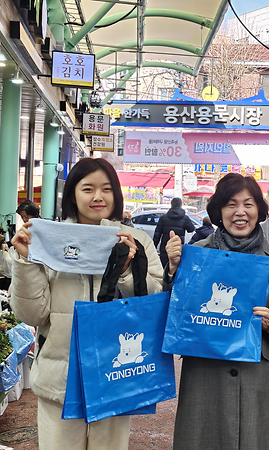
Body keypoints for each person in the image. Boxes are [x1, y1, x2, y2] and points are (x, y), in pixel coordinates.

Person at [9, 158, 163, 450]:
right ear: (72, 195)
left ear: (116, 194)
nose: (97, 197)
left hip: (116, 373)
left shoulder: (137, 240)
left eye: (106, 189)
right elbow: (32, 313)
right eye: (87, 188)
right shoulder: (51, 240)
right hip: (61, 380)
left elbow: (153, 303)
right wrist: (27, 261)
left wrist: (128, 270)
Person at [163, 173, 269, 450]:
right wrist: (173, 270)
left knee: (252, 439)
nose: (240, 212)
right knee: (201, 438)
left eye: (248, 204)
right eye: (231, 204)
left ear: (259, 210)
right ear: (218, 210)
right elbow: (173, 308)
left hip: (256, 371)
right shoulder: (195, 255)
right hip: (205, 369)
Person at [153, 197, 196, 267]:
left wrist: (154, 246)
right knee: (176, 269)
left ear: (171, 205)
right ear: (181, 205)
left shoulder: (163, 218)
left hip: (165, 248)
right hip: (178, 248)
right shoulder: (185, 218)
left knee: (164, 269)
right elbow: (191, 229)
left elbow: (157, 234)